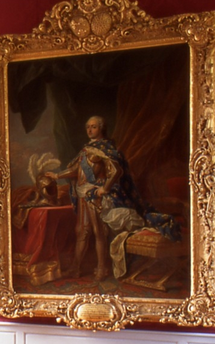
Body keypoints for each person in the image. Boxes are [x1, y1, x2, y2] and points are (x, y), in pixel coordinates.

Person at [48, 116, 145, 281]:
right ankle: (75, 269)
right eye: (88, 127)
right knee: (82, 231)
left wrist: (104, 188)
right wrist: (56, 175)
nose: (90, 130)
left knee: (98, 232)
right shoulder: (87, 149)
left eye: (93, 127)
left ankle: (102, 268)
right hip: (83, 195)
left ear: (101, 128)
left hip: (94, 196)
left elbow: (116, 171)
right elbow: (77, 170)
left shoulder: (105, 148)